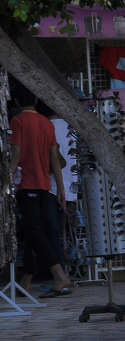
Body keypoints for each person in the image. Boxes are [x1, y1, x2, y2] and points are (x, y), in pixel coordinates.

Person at [9, 90, 73, 296]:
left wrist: (6, 183)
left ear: (17, 100)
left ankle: (60, 276)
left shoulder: (17, 122)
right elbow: (55, 160)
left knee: (34, 231)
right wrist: (61, 191)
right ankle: (26, 281)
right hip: (46, 186)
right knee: (33, 231)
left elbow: (16, 155)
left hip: (27, 185)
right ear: (36, 100)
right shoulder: (47, 124)